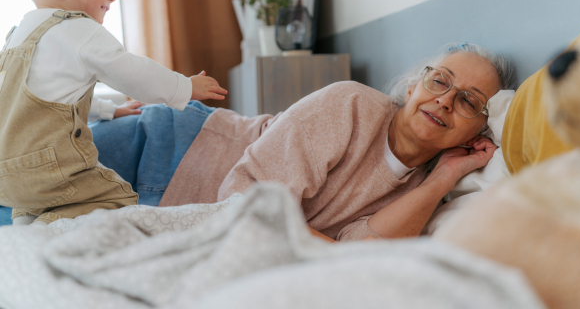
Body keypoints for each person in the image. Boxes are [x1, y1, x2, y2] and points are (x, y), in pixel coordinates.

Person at [85, 43, 516, 241]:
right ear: (414, 84)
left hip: (173, 210)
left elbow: (359, 254)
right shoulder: (352, 105)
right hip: (170, 146)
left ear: (479, 129)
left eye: (467, 101)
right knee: (19, 192)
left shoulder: (420, 194)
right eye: (439, 80)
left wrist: (442, 179)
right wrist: (323, 245)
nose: (444, 100)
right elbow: (246, 201)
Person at [0, 0, 227, 225]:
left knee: (37, 207)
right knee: (113, 200)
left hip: (6, 176)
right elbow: (130, 71)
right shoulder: (76, 28)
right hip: (47, 167)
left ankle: (31, 239)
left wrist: (109, 110)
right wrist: (184, 86)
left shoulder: (16, 38)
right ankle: (70, 241)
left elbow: (51, 99)